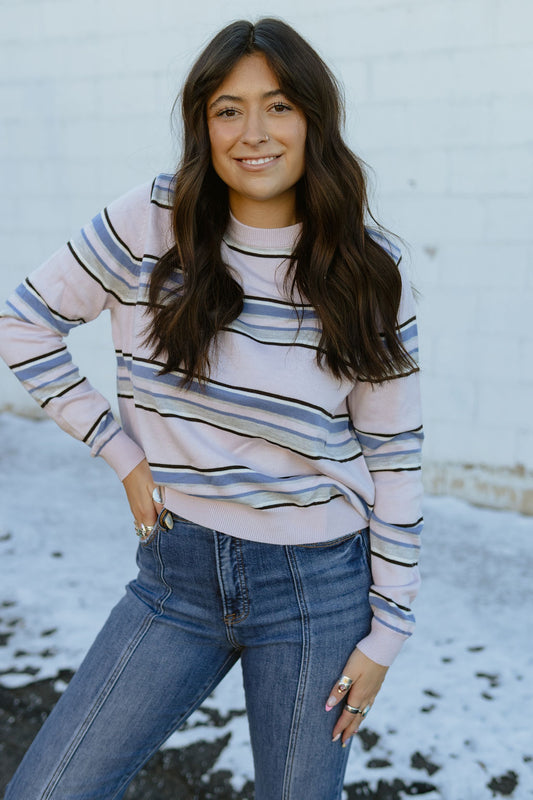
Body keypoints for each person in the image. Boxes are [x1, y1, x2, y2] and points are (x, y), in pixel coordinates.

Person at [0, 17, 423, 800]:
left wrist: (387, 633)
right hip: (178, 576)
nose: (252, 132)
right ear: (202, 122)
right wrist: (119, 451)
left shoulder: (366, 267)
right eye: (228, 109)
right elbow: (23, 322)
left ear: (313, 120)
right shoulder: (150, 221)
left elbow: (394, 463)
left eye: (279, 106)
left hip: (316, 589)